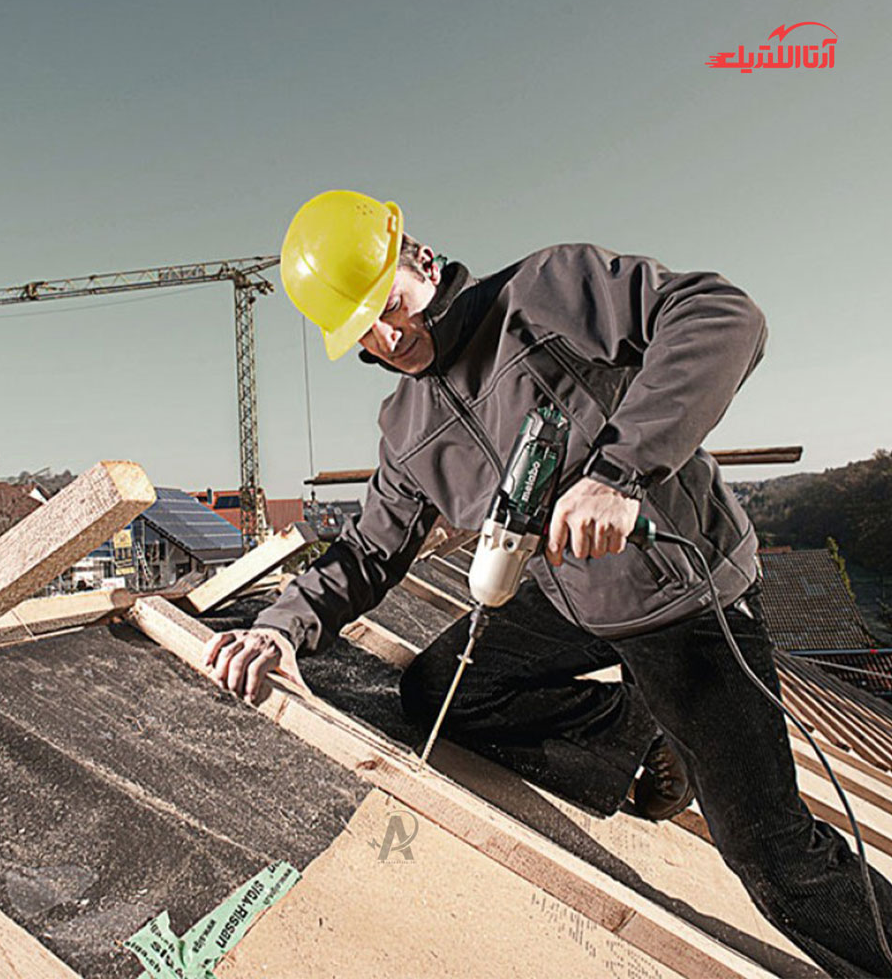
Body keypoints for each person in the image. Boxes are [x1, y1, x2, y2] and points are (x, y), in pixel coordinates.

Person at [203, 190, 892, 977]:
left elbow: (723, 316)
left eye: (389, 306)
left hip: (684, 593)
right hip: (571, 593)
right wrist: (280, 626)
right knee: (441, 689)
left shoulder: (544, 293)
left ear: (421, 259)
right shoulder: (404, 428)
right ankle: (642, 731)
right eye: (364, 331)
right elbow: (368, 551)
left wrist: (619, 473)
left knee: (775, 860)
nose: (389, 339)